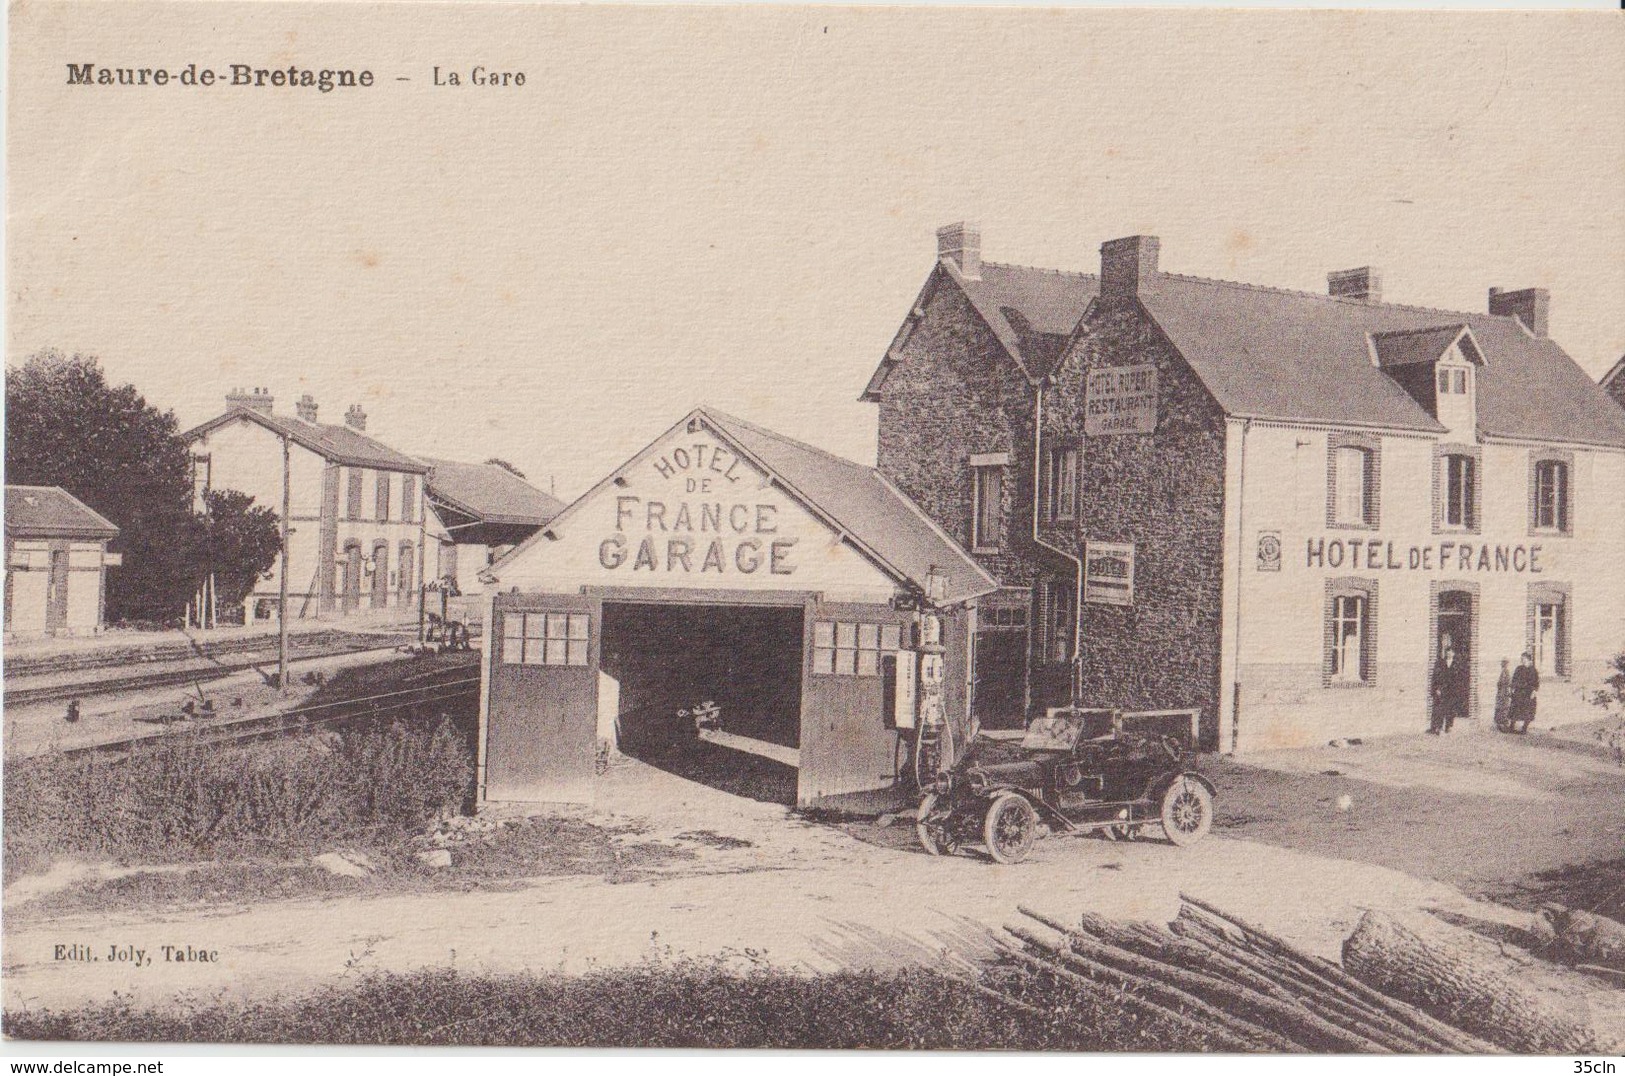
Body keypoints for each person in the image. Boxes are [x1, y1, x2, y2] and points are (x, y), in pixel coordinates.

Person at [1429, 635, 1469, 734]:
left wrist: (1459, 690)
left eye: (1450, 652)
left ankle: (1449, 726)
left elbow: (1460, 678)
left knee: (1451, 709)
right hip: (1443, 690)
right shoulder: (1441, 663)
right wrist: (1437, 689)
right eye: (1447, 652)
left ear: (1453, 653)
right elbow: (1436, 677)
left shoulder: (1457, 664)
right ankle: (1438, 726)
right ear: (1445, 653)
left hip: (1453, 690)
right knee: (1440, 708)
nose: (1449, 654)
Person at [1508, 650, 1540, 734]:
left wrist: (1534, 691)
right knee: (1515, 709)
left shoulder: (1533, 670)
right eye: (1521, 659)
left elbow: (1536, 683)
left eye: (1524, 659)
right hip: (1519, 692)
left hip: (1528, 694)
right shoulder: (1519, 669)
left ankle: (1524, 728)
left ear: (1529, 660)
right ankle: (1511, 727)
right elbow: (1514, 679)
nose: (1522, 661)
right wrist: (1512, 688)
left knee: (1528, 711)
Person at [1493, 658, 1512, 732]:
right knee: (1501, 707)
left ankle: (1503, 724)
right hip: (1502, 692)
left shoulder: (1505, 672)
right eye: (1502, 663)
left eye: (1504, 663)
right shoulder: (1504, 672)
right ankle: (1501, 723)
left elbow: (1506, 682)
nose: (1502, 665)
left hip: (1503, 692)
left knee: (1503, 707)